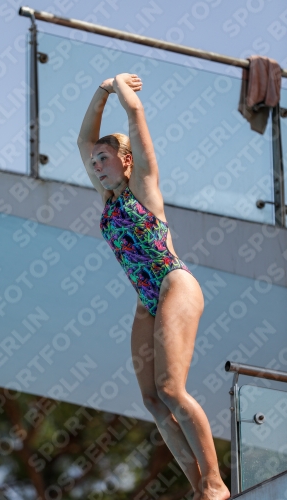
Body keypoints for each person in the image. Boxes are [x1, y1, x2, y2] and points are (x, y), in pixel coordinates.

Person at [77, 73, 230, 500]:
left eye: (103, 158)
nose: (96, 165)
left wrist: (114, 87)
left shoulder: (143, 188)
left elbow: (136, 113)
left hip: (174, 284)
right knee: (152, 400)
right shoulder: (108, 202)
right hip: (148, 300)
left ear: (126, 160)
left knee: (171, 390)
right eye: (94, 163)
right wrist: (97, 93)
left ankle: (215, 482)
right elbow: (81, 142)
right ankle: (198, 485)